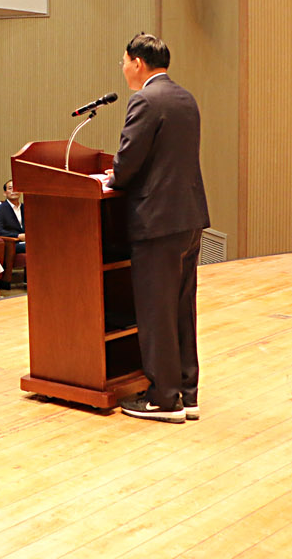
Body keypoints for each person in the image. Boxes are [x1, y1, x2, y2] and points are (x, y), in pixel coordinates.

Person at [109, 32, 208, 424]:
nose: (122, 69)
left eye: (123, 61)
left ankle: (164, 400)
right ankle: (188, 392)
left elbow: (128, 162)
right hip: (188, 217)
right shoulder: (185, 97)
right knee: (182, 308)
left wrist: (114, 176)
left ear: (137, 62)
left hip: (157, 221)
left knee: (156, 311)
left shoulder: (145, 100)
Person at [0, 180, 25, 253]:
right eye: (10, 188)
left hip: (28, 241)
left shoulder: (25, 208)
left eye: (16, 188)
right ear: (5, 193)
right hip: (12, 243)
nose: (13, 190)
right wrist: (18, 236)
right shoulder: (0, 210)